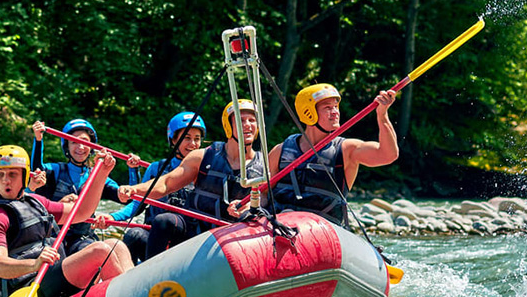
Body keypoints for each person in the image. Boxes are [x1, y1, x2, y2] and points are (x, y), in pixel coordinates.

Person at [0, 145, 132, 297]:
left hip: (50, 274)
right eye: (0, 175)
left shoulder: (35, 202)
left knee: (115, 245)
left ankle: (135, 296)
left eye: (12, 174)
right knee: (99, 251)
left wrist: (102, 174)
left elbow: (82, 211)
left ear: (25, 176)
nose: (6, 180)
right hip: (24, 287)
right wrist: (34, 264)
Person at [118, 100, 265, 261]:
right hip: (193, 229)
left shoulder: (264, 166)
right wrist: (135, 190)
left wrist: (247, 207)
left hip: (230, 234)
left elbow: (265, 200)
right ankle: (152, 277)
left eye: (252, 120)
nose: (247, 125)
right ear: (228, 125)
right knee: (163, 221)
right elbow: (167, 183)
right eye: (240, 120)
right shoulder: (202, 156)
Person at [270, 84, 399, 226]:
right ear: (308, 112)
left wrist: (382, 115)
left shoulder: (346, 150)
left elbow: (388, 155)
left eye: (336, 107)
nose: (335, 112)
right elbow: (262, 192)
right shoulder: (281, 151)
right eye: (328, 108)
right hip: (280, 225)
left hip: (323, 230)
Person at [29, 118, 138, 254]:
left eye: (85, 142)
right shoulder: (55, 170)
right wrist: (38, 140)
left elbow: (131, 200)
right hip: (53, 236)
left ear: (92, 146)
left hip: (83, 238)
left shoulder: (99, 177)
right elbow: (37, 170)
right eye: (74, 142)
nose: (80, 147)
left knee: (91, 249)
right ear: (66, 146)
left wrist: (133, 170)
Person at [108, 111, 206, 261]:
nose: (193, 144)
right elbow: (137, 206)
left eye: (197, 139)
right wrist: (111, 217)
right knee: (135, 235)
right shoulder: (156, 169)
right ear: (173, 140)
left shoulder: (206, 171)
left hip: (188, 237)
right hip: (156, 237)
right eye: (187, 138)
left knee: (165, 221)